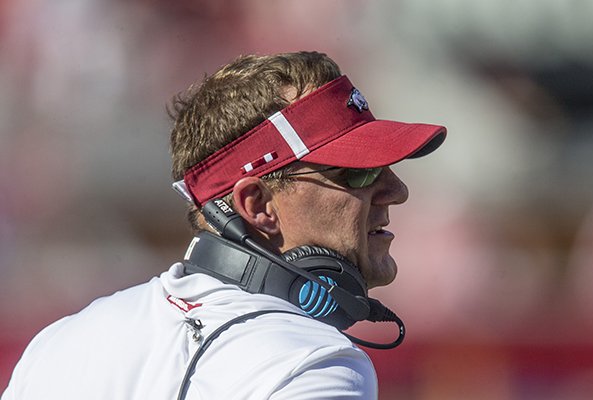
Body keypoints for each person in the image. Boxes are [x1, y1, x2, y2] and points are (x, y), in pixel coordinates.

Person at [2, 51, 446, 399]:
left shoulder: (61, 342)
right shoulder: (314, 361)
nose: (397, 190)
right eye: (358, 173)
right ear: (257, 205)